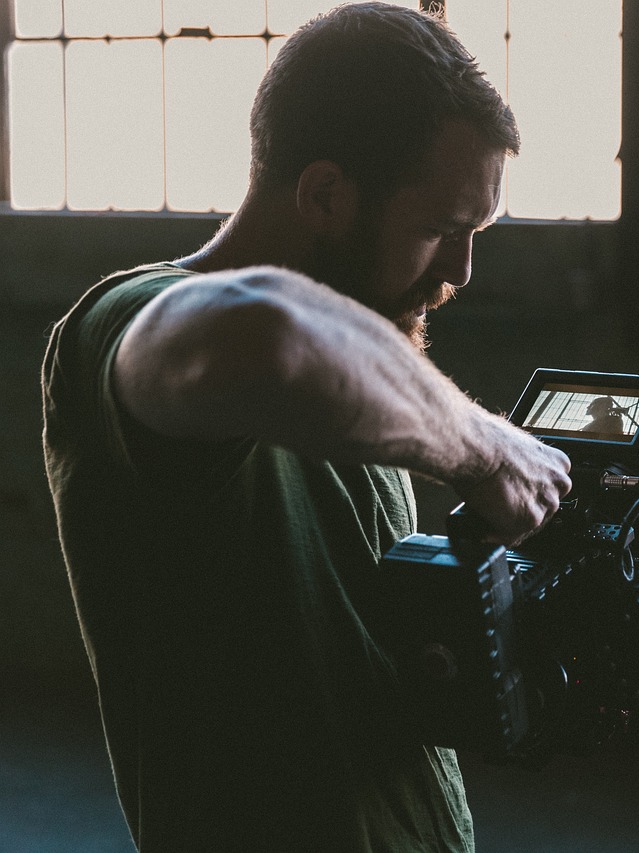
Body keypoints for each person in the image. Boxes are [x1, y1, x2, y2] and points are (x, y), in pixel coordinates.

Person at [41, 4, 572, 851]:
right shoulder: (119, 324)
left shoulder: (360, 355)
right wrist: (486, 451)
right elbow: (270, 339)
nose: (460, 271)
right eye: (438, 229)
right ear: (325, 193)